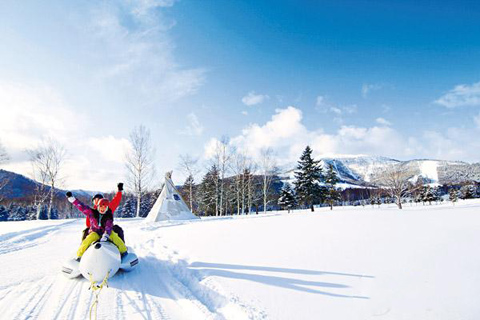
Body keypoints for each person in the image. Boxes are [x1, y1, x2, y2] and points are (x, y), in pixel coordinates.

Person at [66, 191, 128, 261]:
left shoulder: (108, 215)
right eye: (101, 206)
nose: (102, 208)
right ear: (98, 206)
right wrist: (73, 200)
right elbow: (82, 207)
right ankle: (79, 256)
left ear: (107, 207)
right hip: (95, 232)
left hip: (106, 233)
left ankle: (124, 252)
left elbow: (109, 225)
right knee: (87, 239)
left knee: (115, 237)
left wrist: (106, 234)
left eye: (105, 207)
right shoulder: (92, 212)